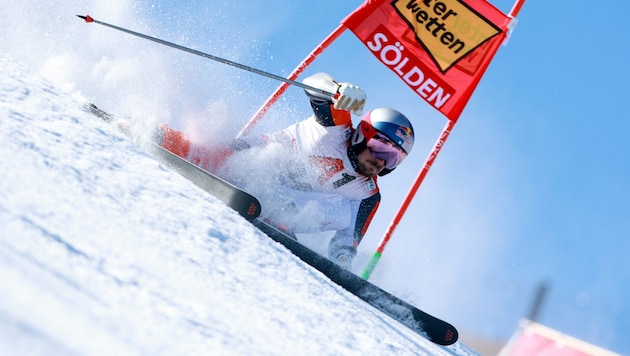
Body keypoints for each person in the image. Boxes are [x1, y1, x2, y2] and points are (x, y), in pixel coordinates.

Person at [156, 72, 415, 269]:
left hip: (275, 204)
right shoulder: (336, 128)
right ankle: (154, 133)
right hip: (244, 163)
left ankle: (274, 218)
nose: (382, 162)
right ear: (363, 134)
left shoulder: (367, 193)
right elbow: (314, 83)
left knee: (343, 214)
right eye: (381, 149)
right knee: (201, 153)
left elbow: (348, 239)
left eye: (393, 159)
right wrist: (337, 90)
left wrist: (342, 261)